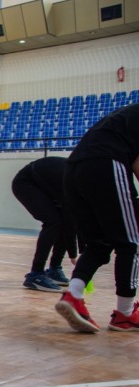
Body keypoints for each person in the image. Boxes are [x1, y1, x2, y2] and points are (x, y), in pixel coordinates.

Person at [55, 103, 139, 333]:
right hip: (106, 164)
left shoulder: (126, 114)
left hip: (73, 169)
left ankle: (73, 295)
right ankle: (125, 313)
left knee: (99, 243)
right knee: (131, 242)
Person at [12, 156, 79, 292]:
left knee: (62, 222)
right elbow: (71, 222)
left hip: (47, 186)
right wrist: (73, 254)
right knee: (53, 221)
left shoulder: (82, 181)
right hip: (26, 183)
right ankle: (35, 274)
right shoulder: (76, 182)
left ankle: (54, 269)